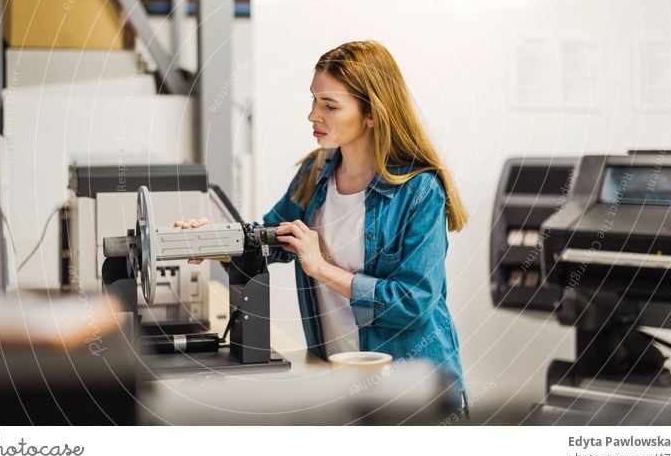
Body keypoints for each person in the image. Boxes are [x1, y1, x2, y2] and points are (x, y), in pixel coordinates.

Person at [176, 40, 469, 411]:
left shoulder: (420, 191)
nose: (313, 116)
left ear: (372, 113)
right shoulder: (315, 172)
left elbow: (414, 303)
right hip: (341, 381)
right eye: (314, 100)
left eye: (329, 106)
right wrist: (216, 240)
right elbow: (268, 238)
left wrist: (320, 268)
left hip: (413, 391)